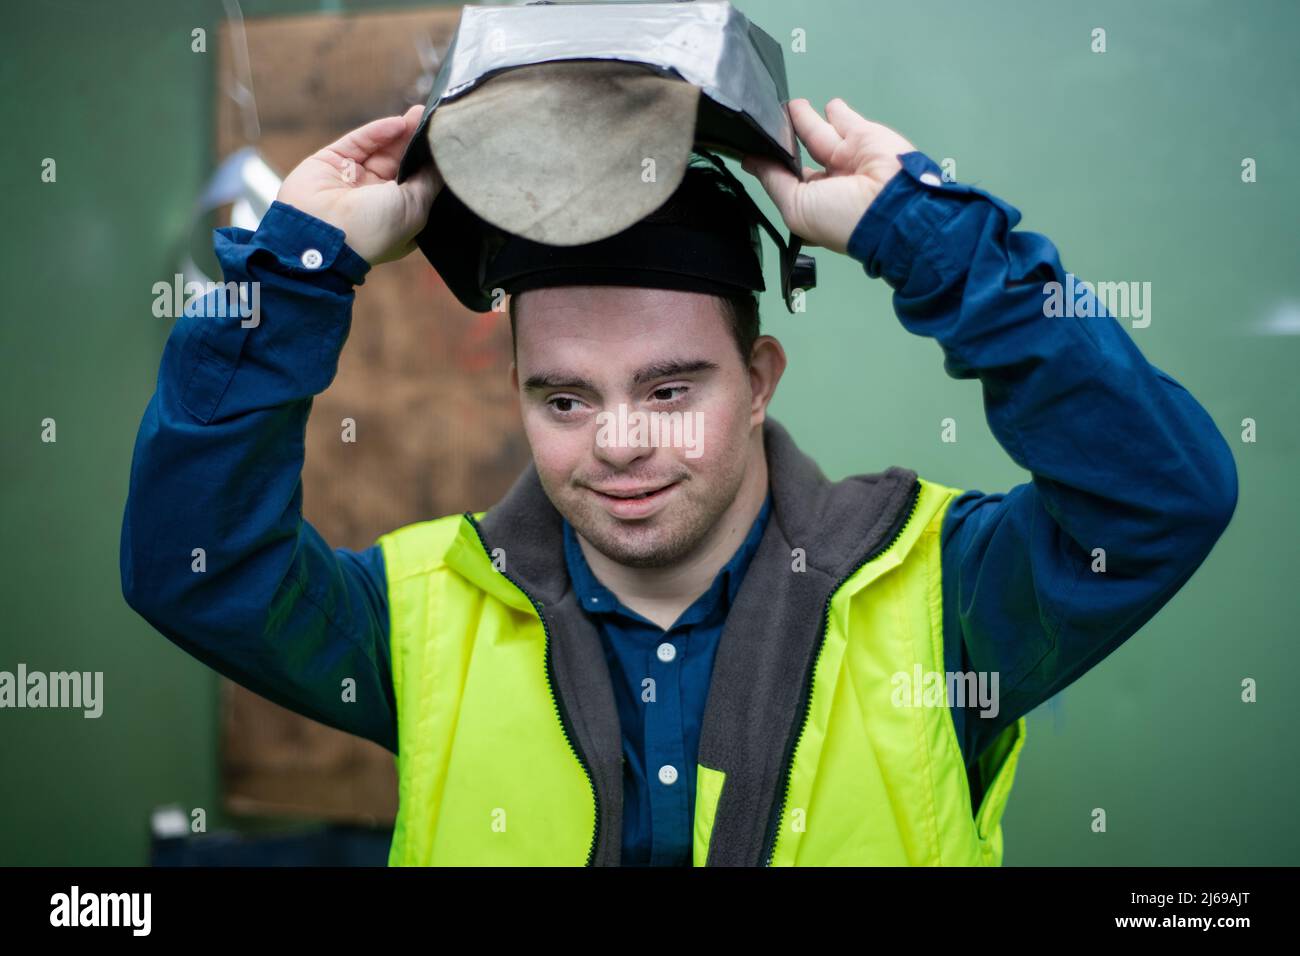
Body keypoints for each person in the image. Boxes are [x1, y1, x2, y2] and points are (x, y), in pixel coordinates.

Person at [121, 98, 1238, 866]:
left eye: (668, 390)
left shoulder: (941, 596)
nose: (615, 441)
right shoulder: (414, 621)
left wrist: (926, 237)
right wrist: (294, 265)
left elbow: (1157, 498)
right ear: (516, 393)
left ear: (758, 378)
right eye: (563, 397)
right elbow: (191, 567)